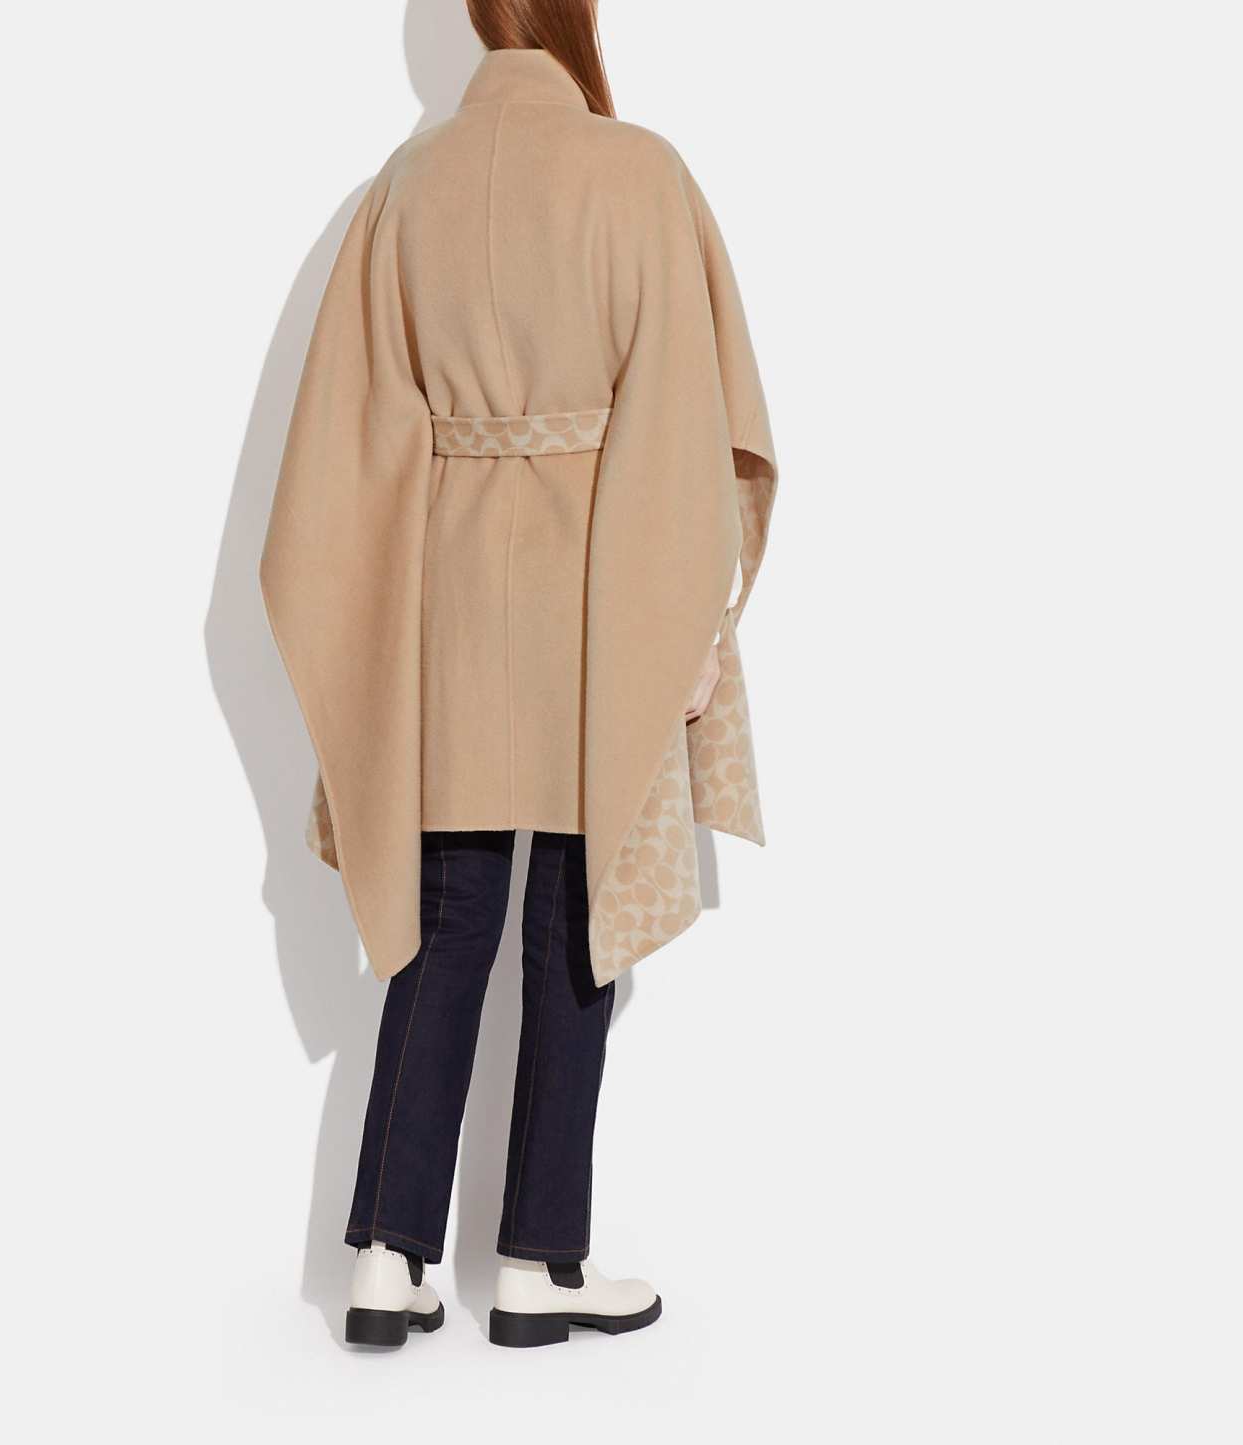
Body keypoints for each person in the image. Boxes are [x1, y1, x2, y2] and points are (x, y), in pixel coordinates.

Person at [260, 0, 778, 1349]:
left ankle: (384, 1257)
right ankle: (541, 1263)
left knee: (442, 927)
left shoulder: (405, 188)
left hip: (446, 610)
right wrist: (692, 623)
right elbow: (689, 415)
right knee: (575, 927)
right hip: (598, 602)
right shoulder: (638, 172)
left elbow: (345, 439)